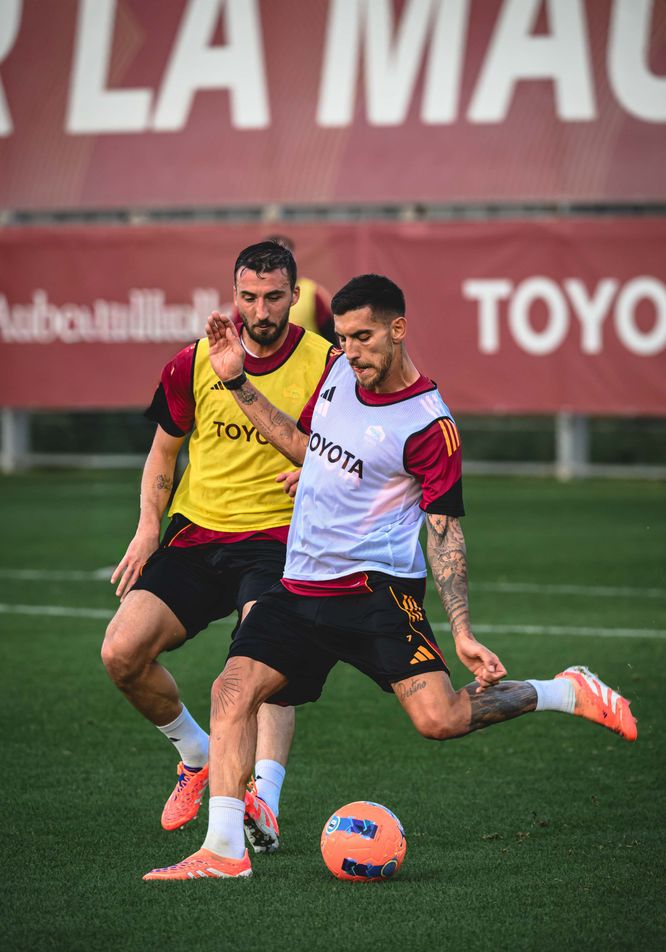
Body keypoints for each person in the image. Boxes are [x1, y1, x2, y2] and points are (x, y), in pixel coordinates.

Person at [143, 274, 637, 881]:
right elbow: (305, 444)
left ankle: (564, 690)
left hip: (377, 595)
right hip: (298, 587)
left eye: (364, 337)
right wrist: (239, 383)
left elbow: (446, 533)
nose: (351, 351)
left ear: (398, 330)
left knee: (441, 720)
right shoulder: (336, 375)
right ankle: (224, 852)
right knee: (231, 692)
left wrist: (461, 631)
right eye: (344, 337)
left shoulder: (430, 424)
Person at [101, 241, 333, 852]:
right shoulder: (192, 362)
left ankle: (266, 801)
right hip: (198, 533)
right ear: (234, 295)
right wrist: (149, 524)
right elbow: (163, 452)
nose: (261, 310)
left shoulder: (325, 365)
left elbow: (338, 458)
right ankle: (195, 753)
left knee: (261, 668)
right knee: (122, 653)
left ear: (295, 295)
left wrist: (314, 470)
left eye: (274, 297)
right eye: (249, 297)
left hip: (280, 540)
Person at [231, 235, 336, 345]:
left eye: (274, 298)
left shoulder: (313, 293)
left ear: (295, 295)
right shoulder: (244, 297)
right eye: (250, 299)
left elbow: (330, 336)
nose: (261, 313)